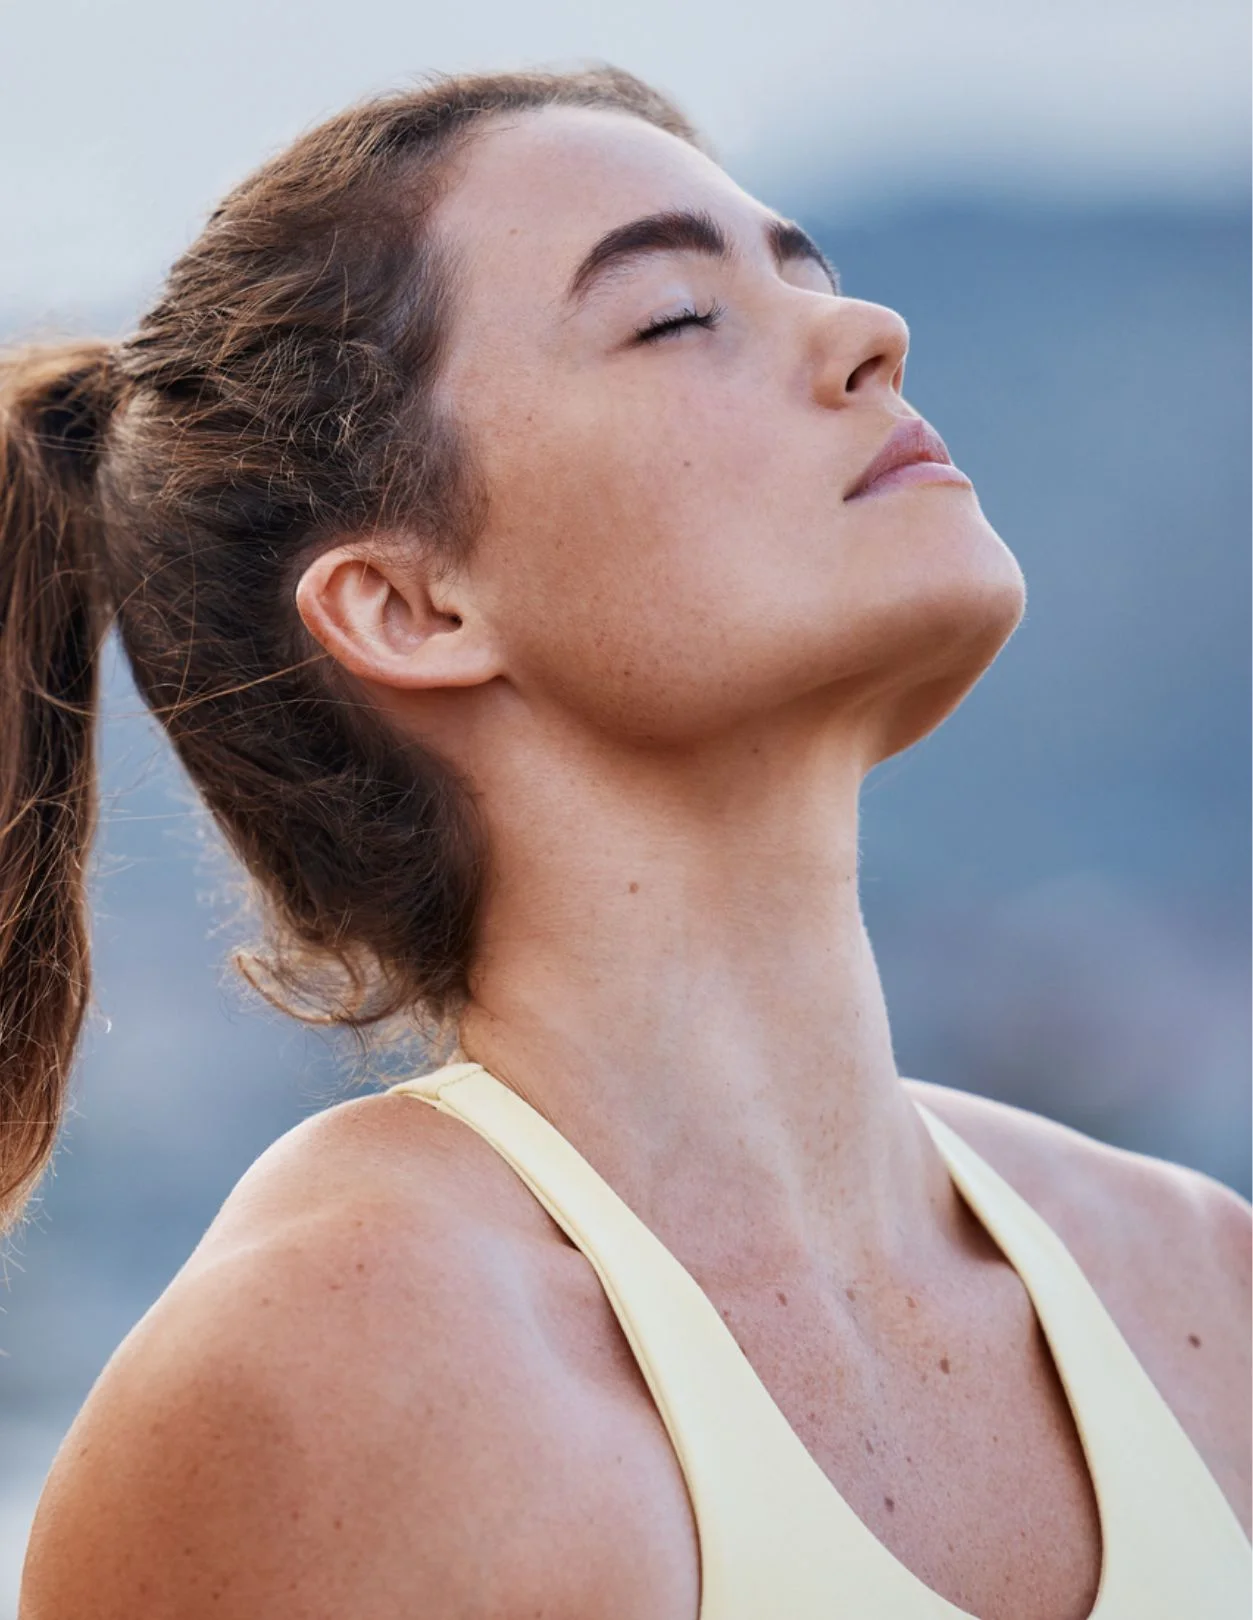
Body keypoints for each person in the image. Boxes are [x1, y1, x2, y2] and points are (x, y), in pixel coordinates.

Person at [4, 65, 1248, 1620]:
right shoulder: (338, 1380)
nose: (872, 337)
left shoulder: (1200, 1289)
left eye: (812, 276)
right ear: (411, 606)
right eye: (676, 316)